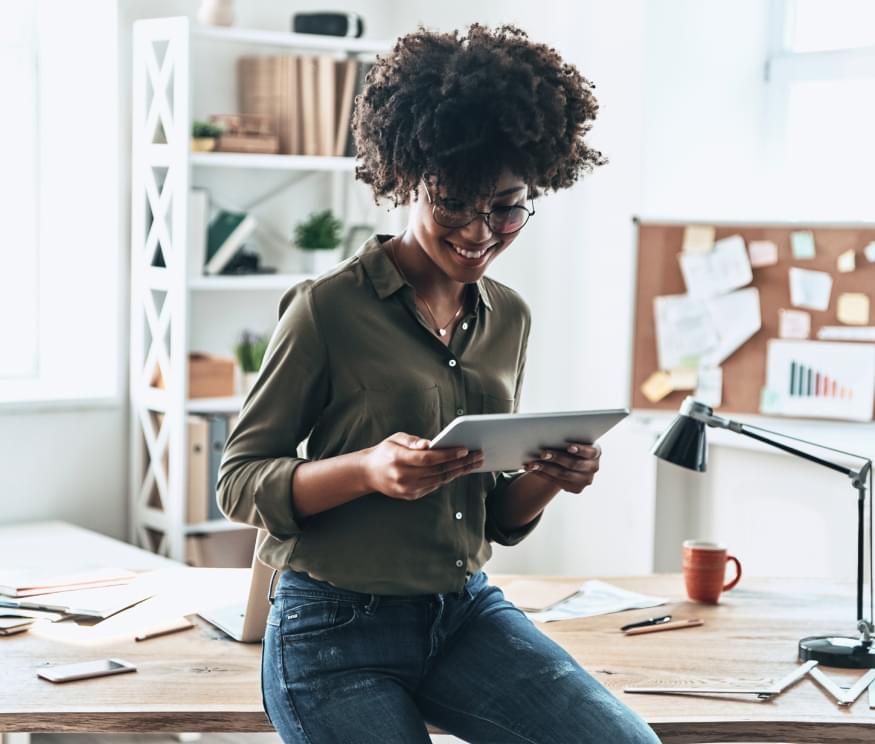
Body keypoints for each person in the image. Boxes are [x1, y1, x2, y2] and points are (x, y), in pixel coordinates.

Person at [217, 23, 661, 744]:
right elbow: (238, 483)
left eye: (507, 206)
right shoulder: (326, 307)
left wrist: (551, 475)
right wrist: (367, 470)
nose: (480, 231)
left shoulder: (507, 316)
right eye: (453, 202)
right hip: (331, 629)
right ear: (411, 179)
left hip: (463, 615)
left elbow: (492, 522)